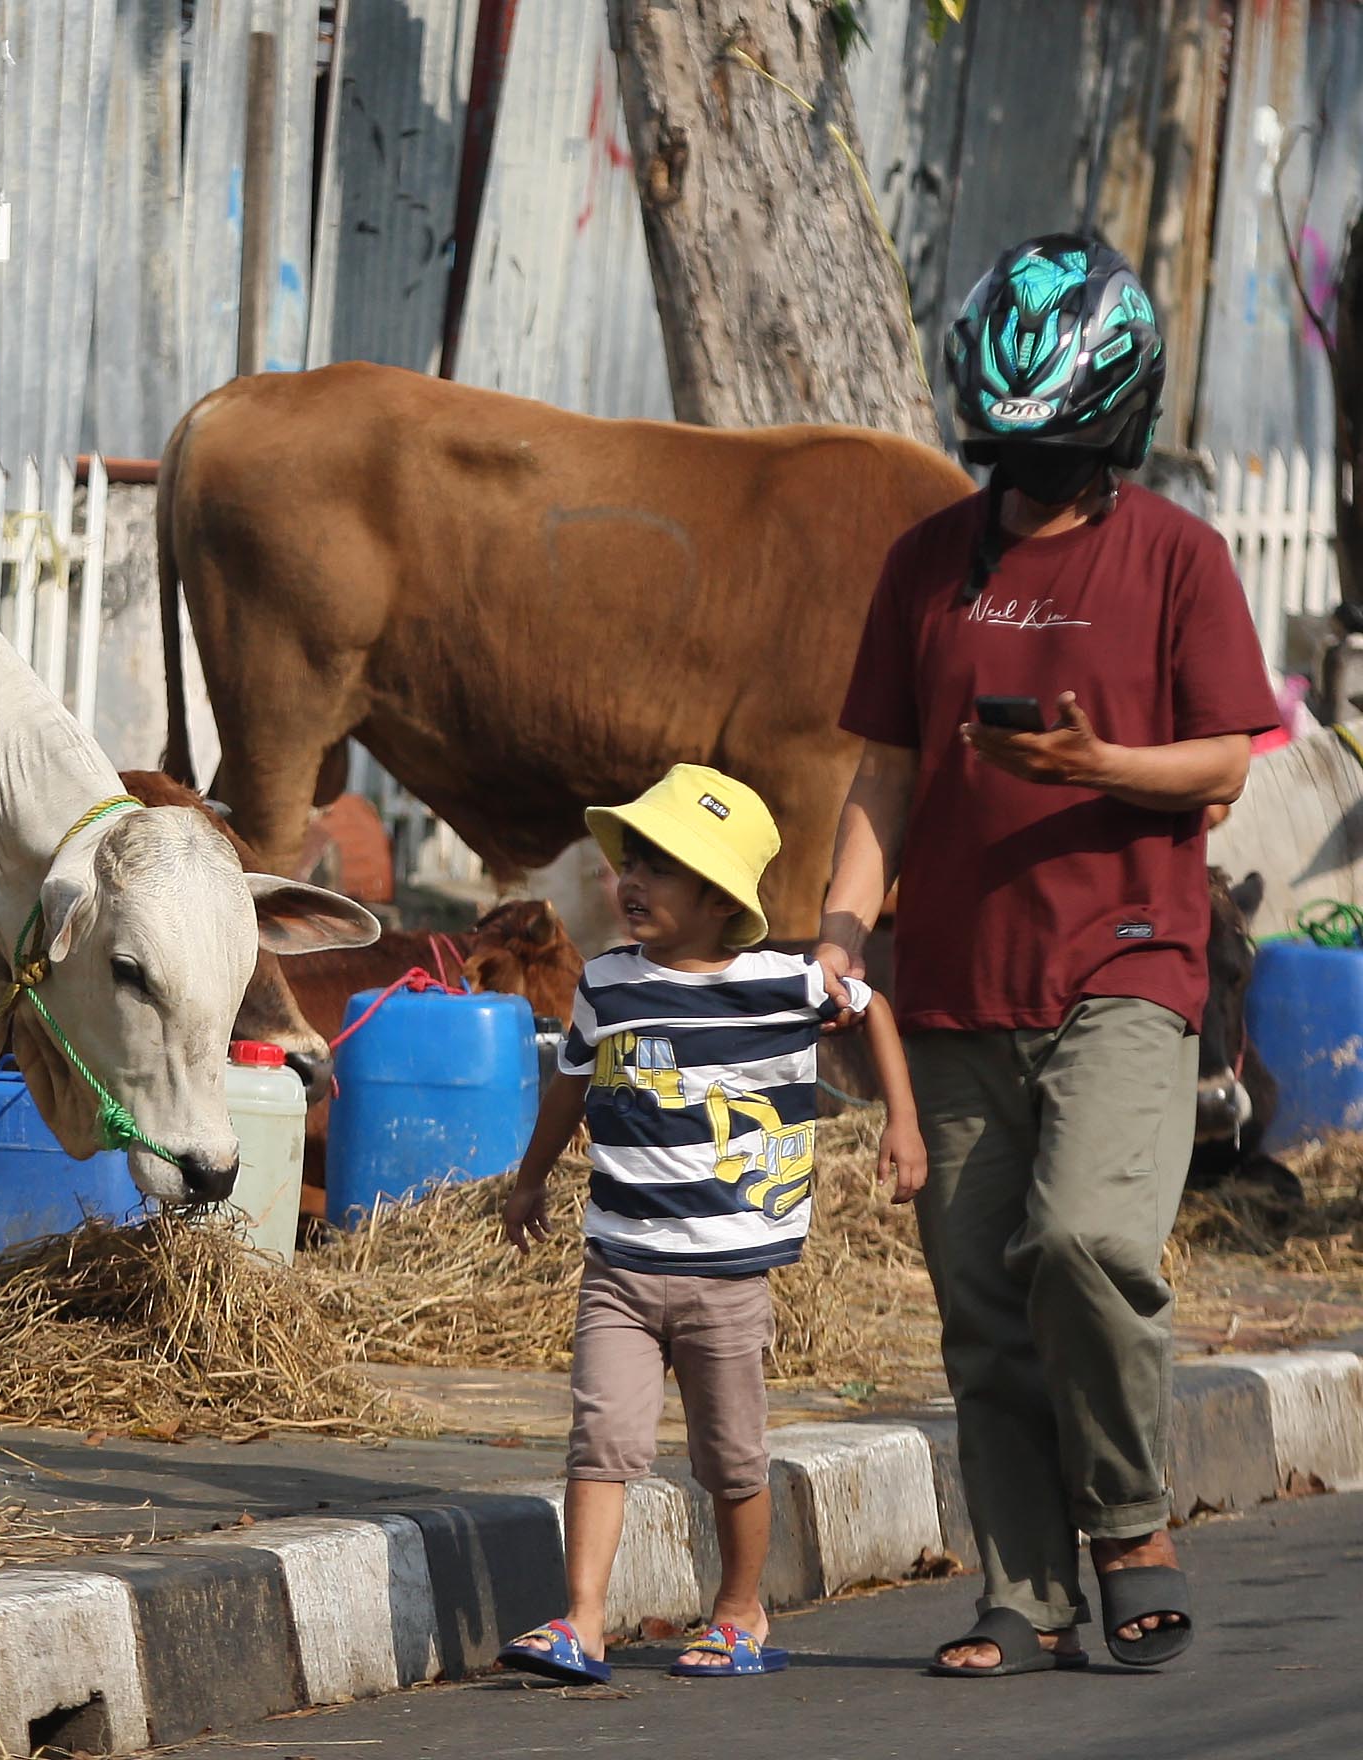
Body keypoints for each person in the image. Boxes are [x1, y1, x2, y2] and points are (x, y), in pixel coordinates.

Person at [817, 234, 1277, 1677]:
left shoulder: (1179, 558)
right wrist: (841, 924)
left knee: (1085, 1242)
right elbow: (885, 772)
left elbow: (1227, 765)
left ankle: (1132, 1522)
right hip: (954, 980)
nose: (1038, 478)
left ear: (1118, 429)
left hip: (1129, 965)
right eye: (1018, 453)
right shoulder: (925, 566)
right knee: (985, 1310)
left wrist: (1097, 762)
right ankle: (1024, 1590)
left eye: (1066, 450)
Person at [495, 765, 926, 1685]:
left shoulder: (784, 983)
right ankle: (582, 1620)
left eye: (662, 866)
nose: (633, 880)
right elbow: (570, 1084)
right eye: (631, 862)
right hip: (617, 1262)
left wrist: (903, 1121)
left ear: (721, 895)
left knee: (730, 1457)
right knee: (601, 1438)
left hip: (727, 1278)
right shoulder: (607, 984)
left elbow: (874, 1006)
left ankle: (739, 1609)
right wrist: (530, 1180)